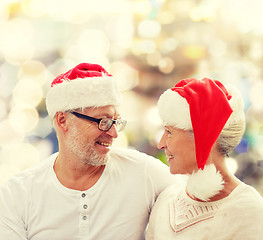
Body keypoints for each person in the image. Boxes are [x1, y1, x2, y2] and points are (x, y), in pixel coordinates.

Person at [0, 63, 180, 240]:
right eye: (103, 121)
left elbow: (196, 201)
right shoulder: (17, 194)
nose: (114, 133)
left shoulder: (145, 174)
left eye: (116, 121)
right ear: (63, 120)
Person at [146, 78, 263, 239]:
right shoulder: (166, 199)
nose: (161, 144)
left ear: (203, 137)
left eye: (169, 132)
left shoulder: (248, 209)